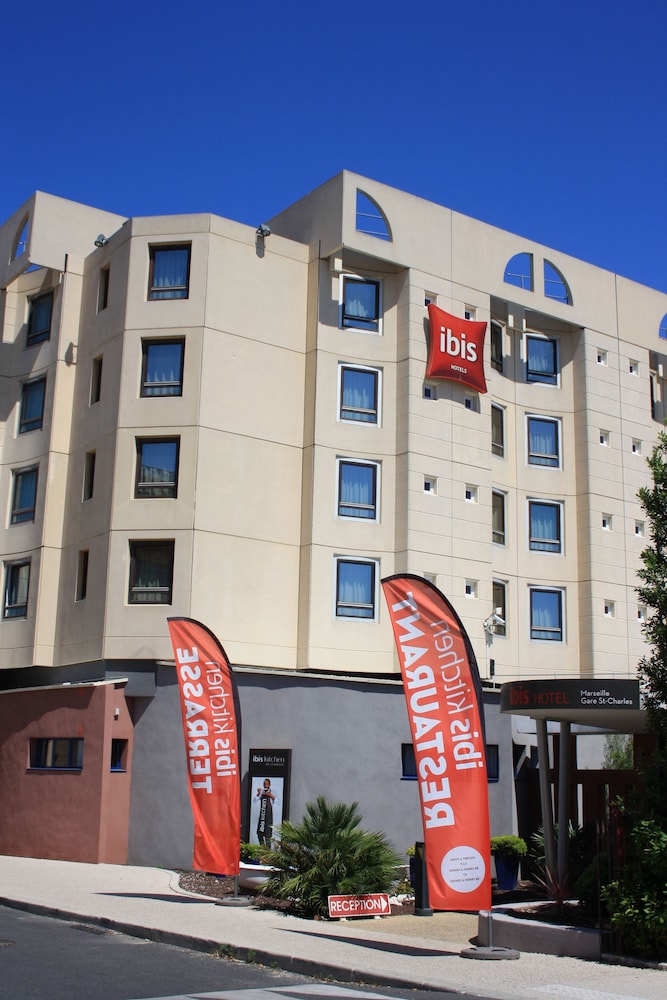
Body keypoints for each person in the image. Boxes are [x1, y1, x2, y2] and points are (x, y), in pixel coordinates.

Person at [256, 778, 276, 846]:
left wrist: (271, 796)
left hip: (268, 817)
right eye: (264, 784)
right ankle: (262, 848)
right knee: (260, 834)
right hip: (262, 816)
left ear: (269, 785)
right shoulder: (261, 792)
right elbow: (255, 800)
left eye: (267, 784)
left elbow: (277, 801)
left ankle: (267, 850)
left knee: (268, 835)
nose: (265, 785)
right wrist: (258, 793)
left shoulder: (272, 792)